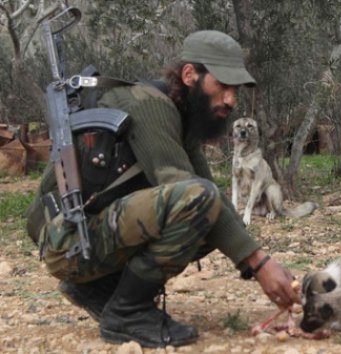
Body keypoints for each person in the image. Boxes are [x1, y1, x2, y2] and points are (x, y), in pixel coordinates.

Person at [25, 30, 300, 348]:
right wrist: (259, 265)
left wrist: (260, 262)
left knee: (210, 209)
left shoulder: (183, 119)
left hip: (87, 236)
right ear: (189, 75)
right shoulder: (151, 105)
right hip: (69, 241)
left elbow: (214, 202)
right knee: (198, 201)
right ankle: (128, 312)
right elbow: (193, 194)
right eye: (222, 86)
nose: (230, 100)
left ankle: (100, 290)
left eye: (235, 89)